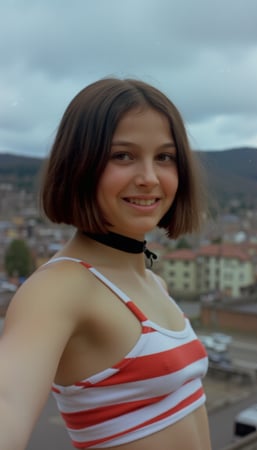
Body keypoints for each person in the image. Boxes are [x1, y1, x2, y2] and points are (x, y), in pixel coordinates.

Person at [0, 77, 211, 450]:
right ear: (79, 165)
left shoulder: (153, 282)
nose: (149, 178)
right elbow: (7, 403)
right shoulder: (60, 287)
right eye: (123, 156)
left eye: (164, 157)